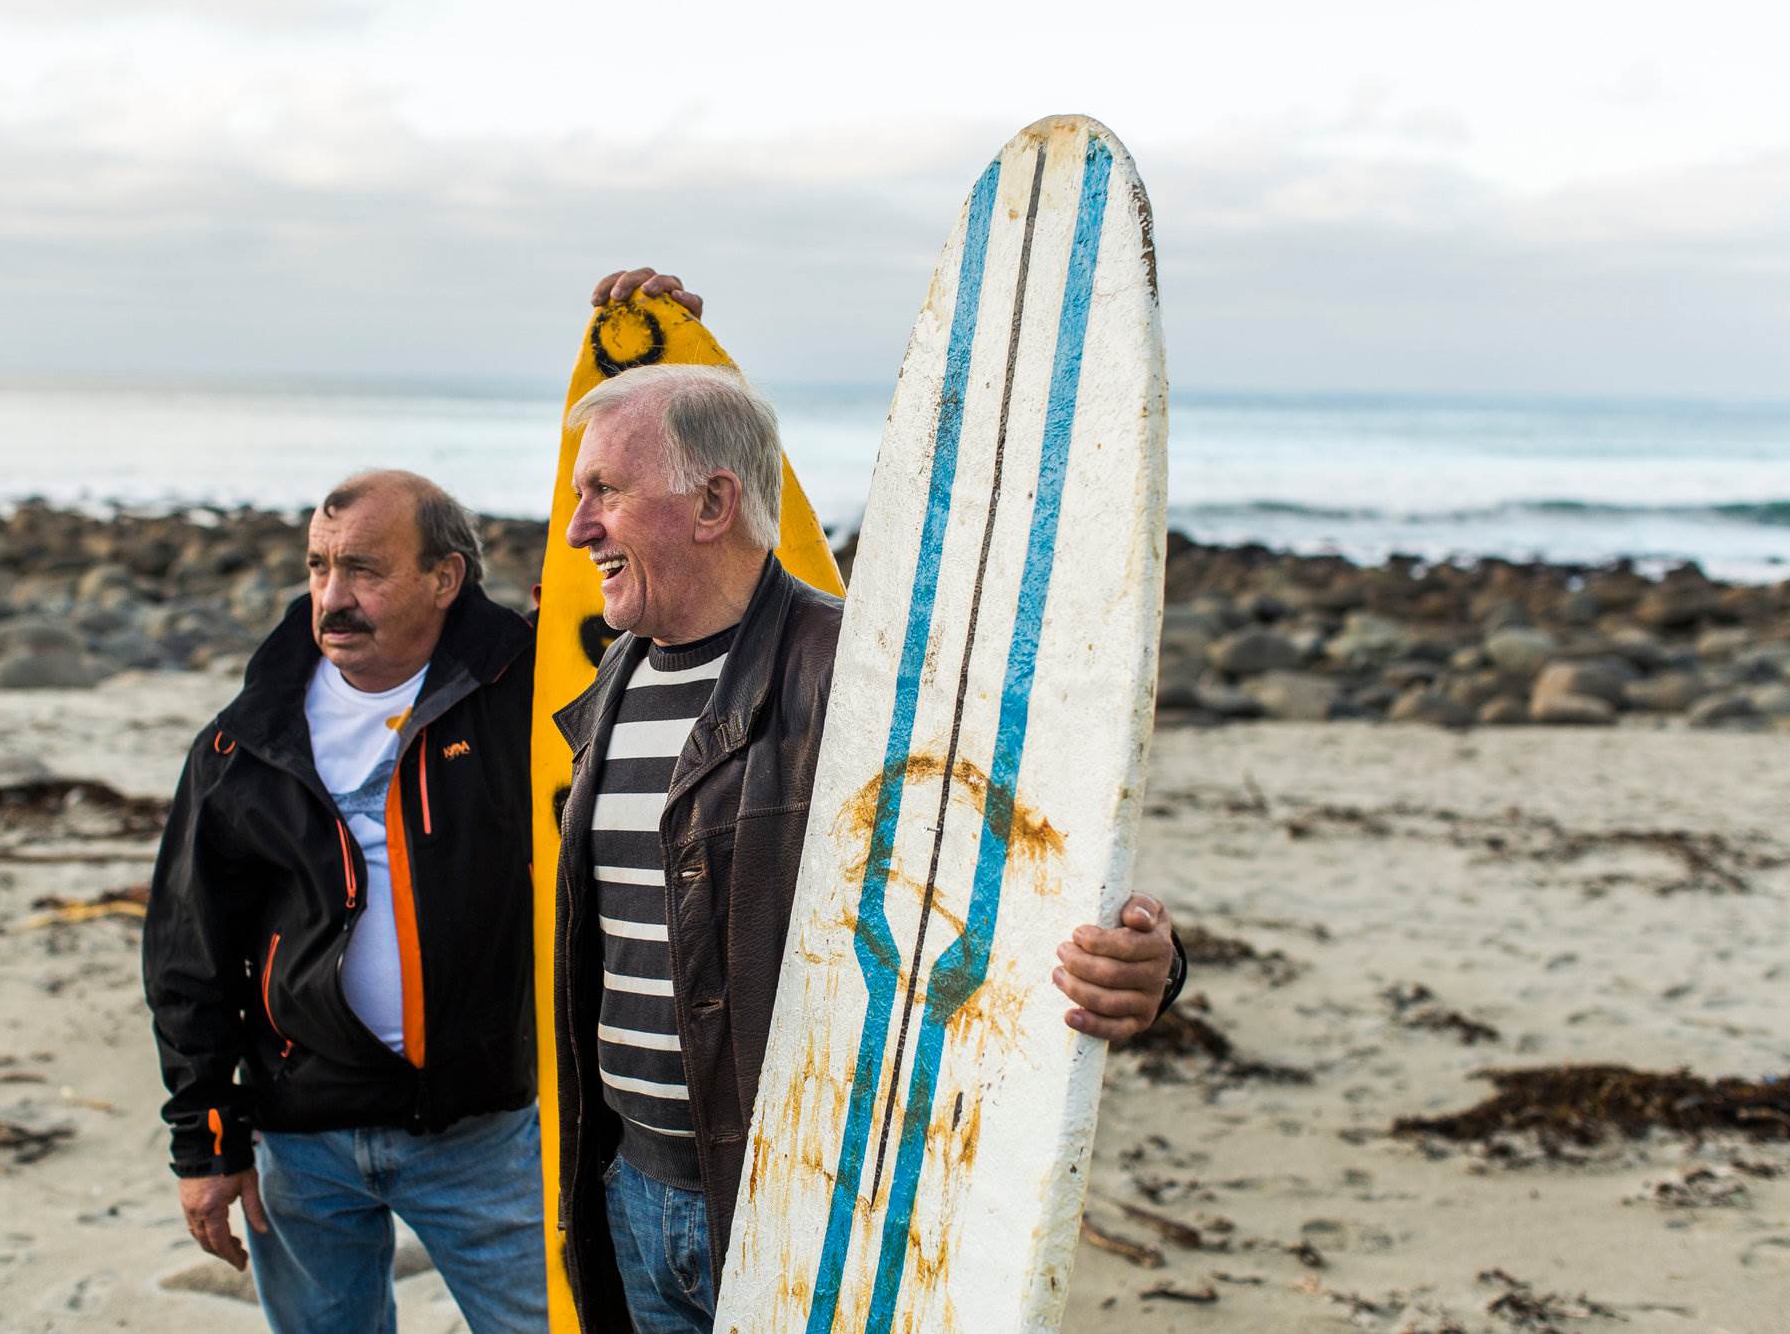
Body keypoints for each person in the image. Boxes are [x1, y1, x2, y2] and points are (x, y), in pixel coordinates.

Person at [550, 279, 1188, 1334]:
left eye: (604, 493)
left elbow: (1021, 860)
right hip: (625, 1187)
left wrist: (1150, 966)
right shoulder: (609, 682)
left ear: (711, 504)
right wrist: (652, 325)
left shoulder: (867, 677)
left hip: (797, 1195)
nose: (575, 529)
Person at [142, 470, 547, 1334]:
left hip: (484, 1133)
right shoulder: (244, 739)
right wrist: (207, 1140)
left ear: (446, 577)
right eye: (318, 566)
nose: (332, 597)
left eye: (363, 569)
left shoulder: (525, 696)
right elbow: (189, 953)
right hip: (302, 1137)